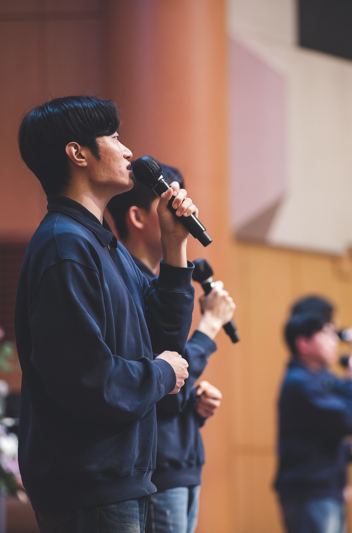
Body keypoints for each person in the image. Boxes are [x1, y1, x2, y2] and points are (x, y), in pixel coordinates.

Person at [15, 96, 198, 532]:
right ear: (78, 153)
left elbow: (164, 341)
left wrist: (174, 247)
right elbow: (88, 379)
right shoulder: (65, 246)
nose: (128, 150)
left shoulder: (102, 244)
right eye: (114, 137)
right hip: (89, 485)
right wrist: (161, 373)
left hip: (118, 480)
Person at [106, 167, 235, 533]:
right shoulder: (126, 284)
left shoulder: (165, 283)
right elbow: (154, 380)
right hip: (157, 467)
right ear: (137, 217)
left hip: (182, 463)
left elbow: (170, 375)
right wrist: (208, 327)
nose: (183, 211)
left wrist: (194, 400)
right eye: (168, 203)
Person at [275, 297, 352, 533]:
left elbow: (316, 441)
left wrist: (348, 452)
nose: (335, 341)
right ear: (303, 343)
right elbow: (349, 420)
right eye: (327, 333)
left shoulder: (320, 378)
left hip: (323, 489)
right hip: (310, 492)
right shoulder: (300, 382)